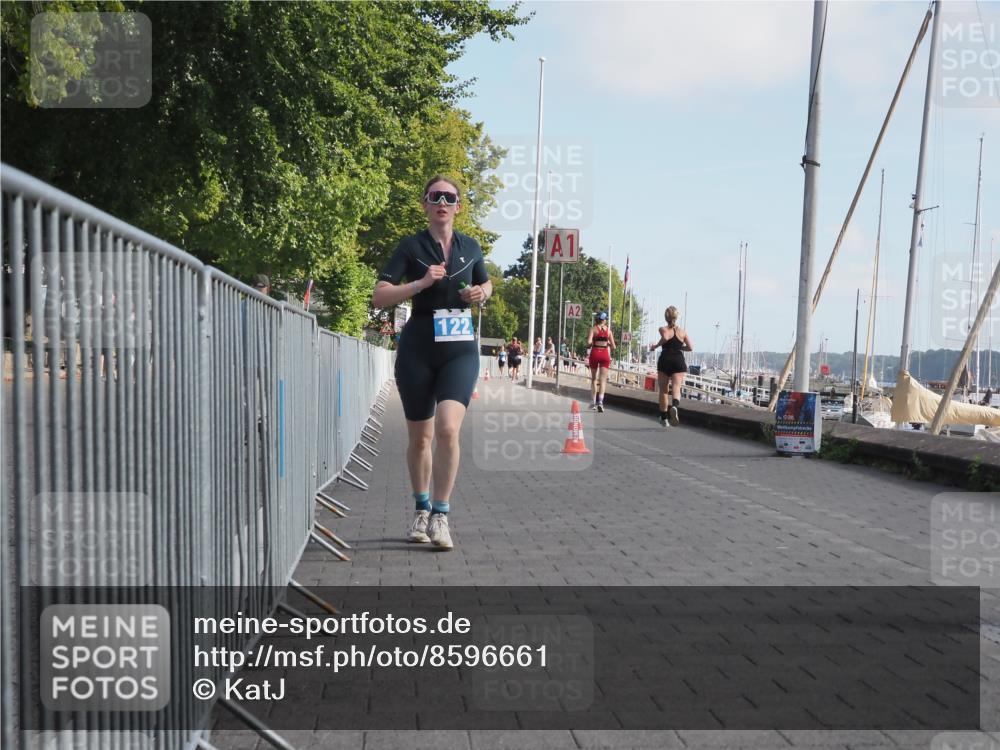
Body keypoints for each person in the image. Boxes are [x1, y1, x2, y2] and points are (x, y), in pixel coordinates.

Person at [371, 175, 492, 550]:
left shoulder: (471, 247)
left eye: (450, 197)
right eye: (435, 196)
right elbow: (379, 297)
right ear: (425, 204)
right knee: (420, 438)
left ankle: (441, 516)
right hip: (418, 348)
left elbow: (487, 284)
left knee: (448, 430)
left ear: (458, 206)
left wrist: (480, 293)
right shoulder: (411, 246)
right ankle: (421, 510)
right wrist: (420, 284)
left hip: (458, 348)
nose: (442, 201)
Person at [649, 306, 693, 427]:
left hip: (665, 359)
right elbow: (690, 347)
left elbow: (666, 337)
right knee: (676, 387)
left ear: (666, 317)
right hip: (678, 360)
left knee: (663, 391)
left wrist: (655, 346)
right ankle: (674, 406)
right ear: (676, 317)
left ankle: (664, 418)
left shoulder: (662, 329)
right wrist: (680, 347)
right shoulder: (682, 331)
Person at [587, 312, 616, 412]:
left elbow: (588, 343)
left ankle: (593, 402)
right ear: (604, 320)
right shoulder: (609, 331)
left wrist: (592, 343)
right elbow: (614, 347)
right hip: (604, 355)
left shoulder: (593, 329)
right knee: (603, 380)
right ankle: (600, 402)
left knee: (594, 379)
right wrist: (607, 343)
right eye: (606, 319)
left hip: (595, 353)